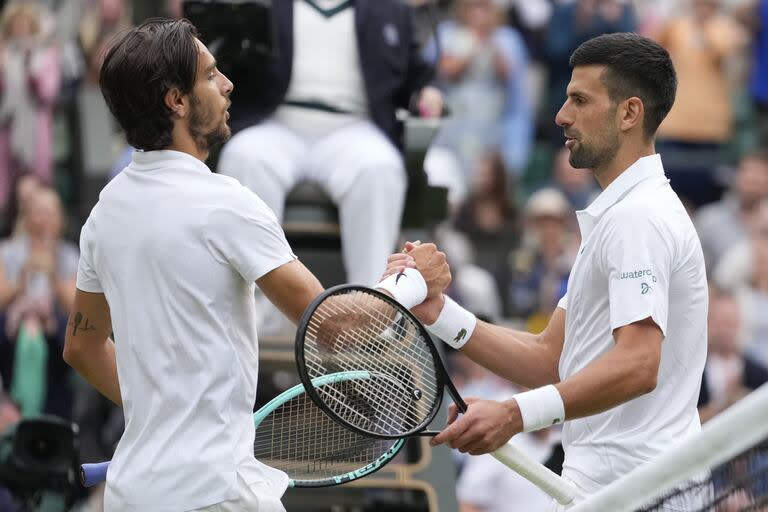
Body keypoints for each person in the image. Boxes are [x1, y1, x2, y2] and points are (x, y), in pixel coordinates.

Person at [62, 19, 450, 512]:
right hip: (217, 496)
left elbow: (82, 346)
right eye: (209, 74)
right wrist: (414, 282)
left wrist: (159, 417)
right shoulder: (227, 203)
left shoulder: (104, 212)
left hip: (132, 494)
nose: (227, 84)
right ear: (175, 101)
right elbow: (331, 328)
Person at [392, 32, 708, 508]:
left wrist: (515, 414)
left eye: (580, 100)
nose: (562, 115)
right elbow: (550, 358)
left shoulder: (636, 218)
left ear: (629, 114)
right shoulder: (621, 214)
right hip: (616, 488)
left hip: (642, 492)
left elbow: (640, 365)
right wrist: (439, 311)